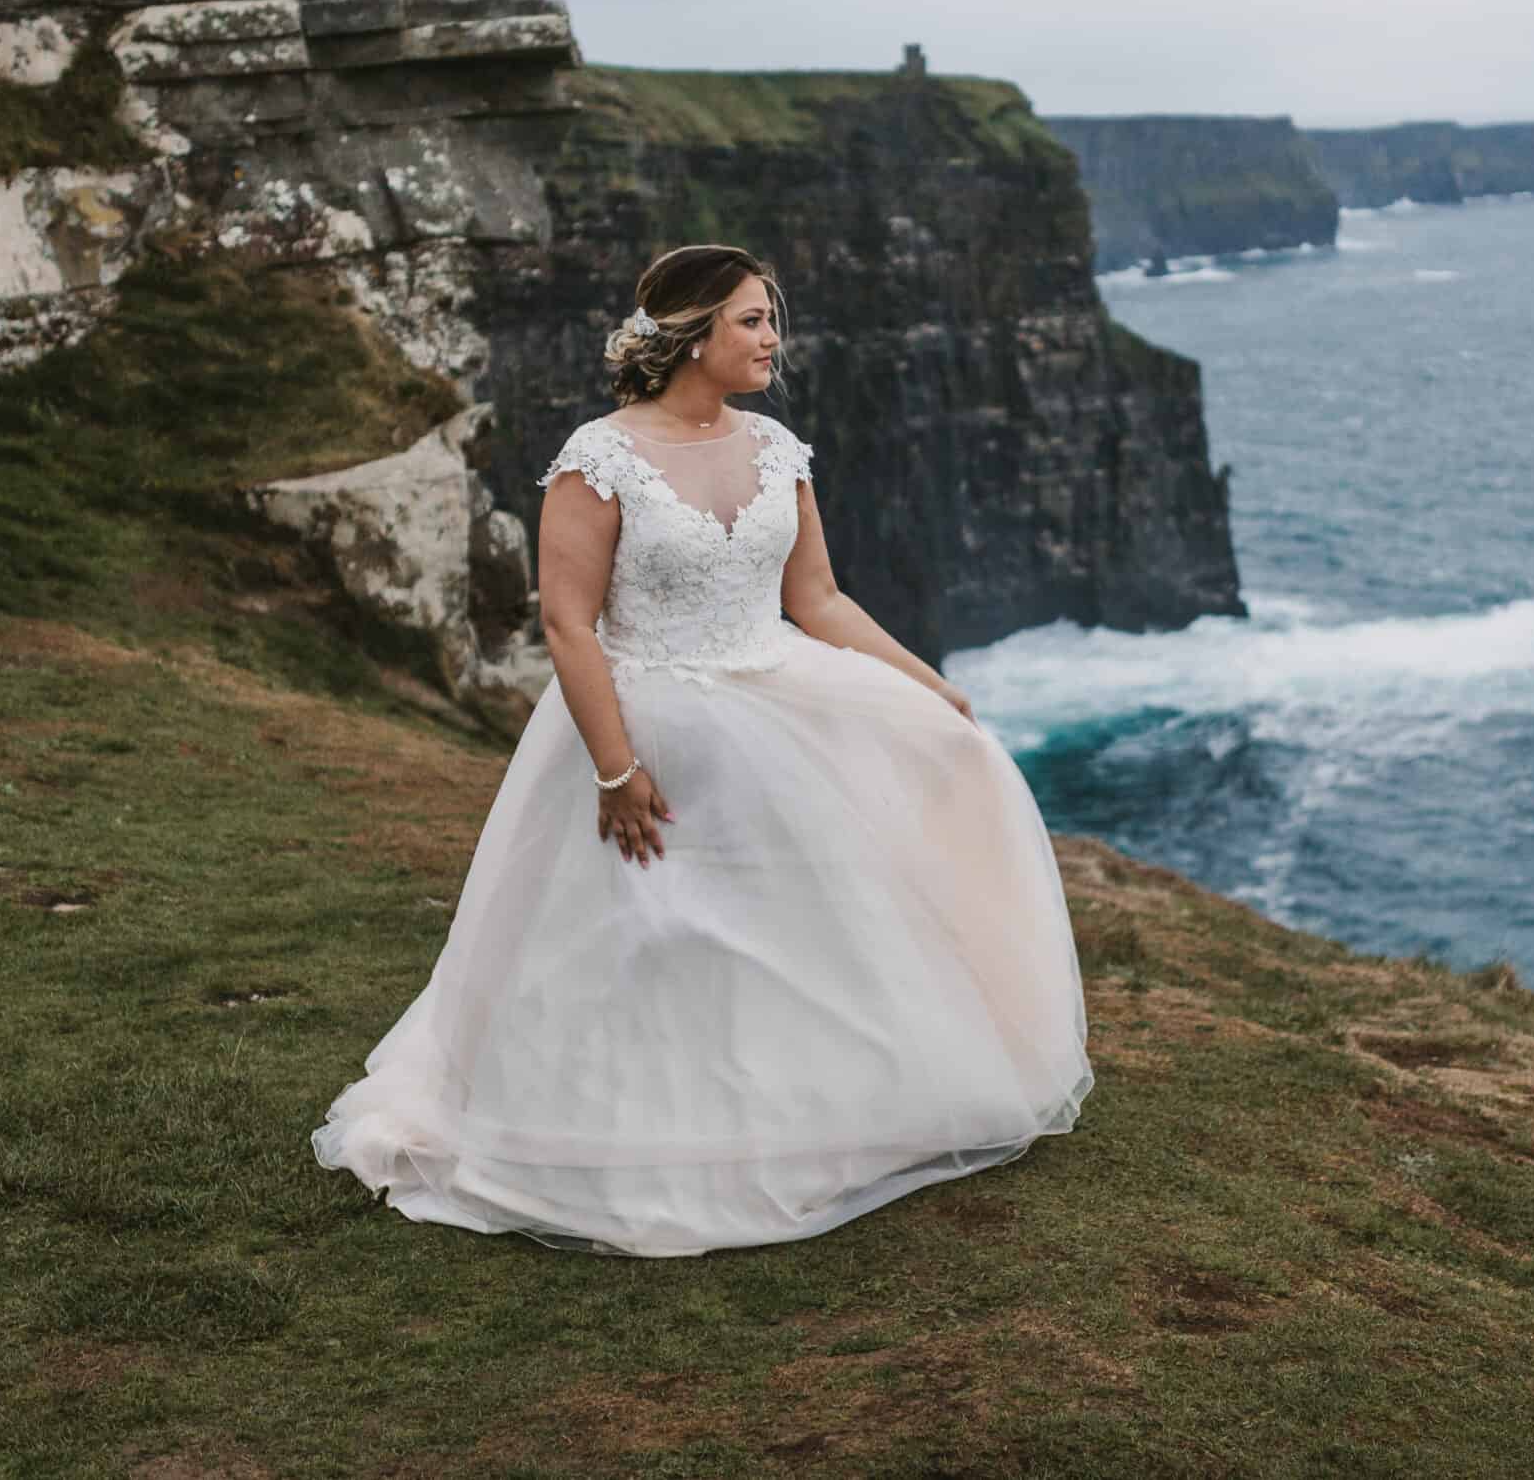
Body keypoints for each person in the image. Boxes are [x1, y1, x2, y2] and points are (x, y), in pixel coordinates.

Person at [310, 244, 1095, 1257]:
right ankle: (638, 1135)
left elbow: (818, 599)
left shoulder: (776, 447)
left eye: (771, 320)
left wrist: (924, 684)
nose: (772, 340)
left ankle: (817, 1107)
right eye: (750, 322)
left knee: (822, 909)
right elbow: (568, 625)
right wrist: (615, 767)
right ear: (690, 336)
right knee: (663, 934)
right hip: (651, 713)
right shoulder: (601, 458)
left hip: (778, 692)